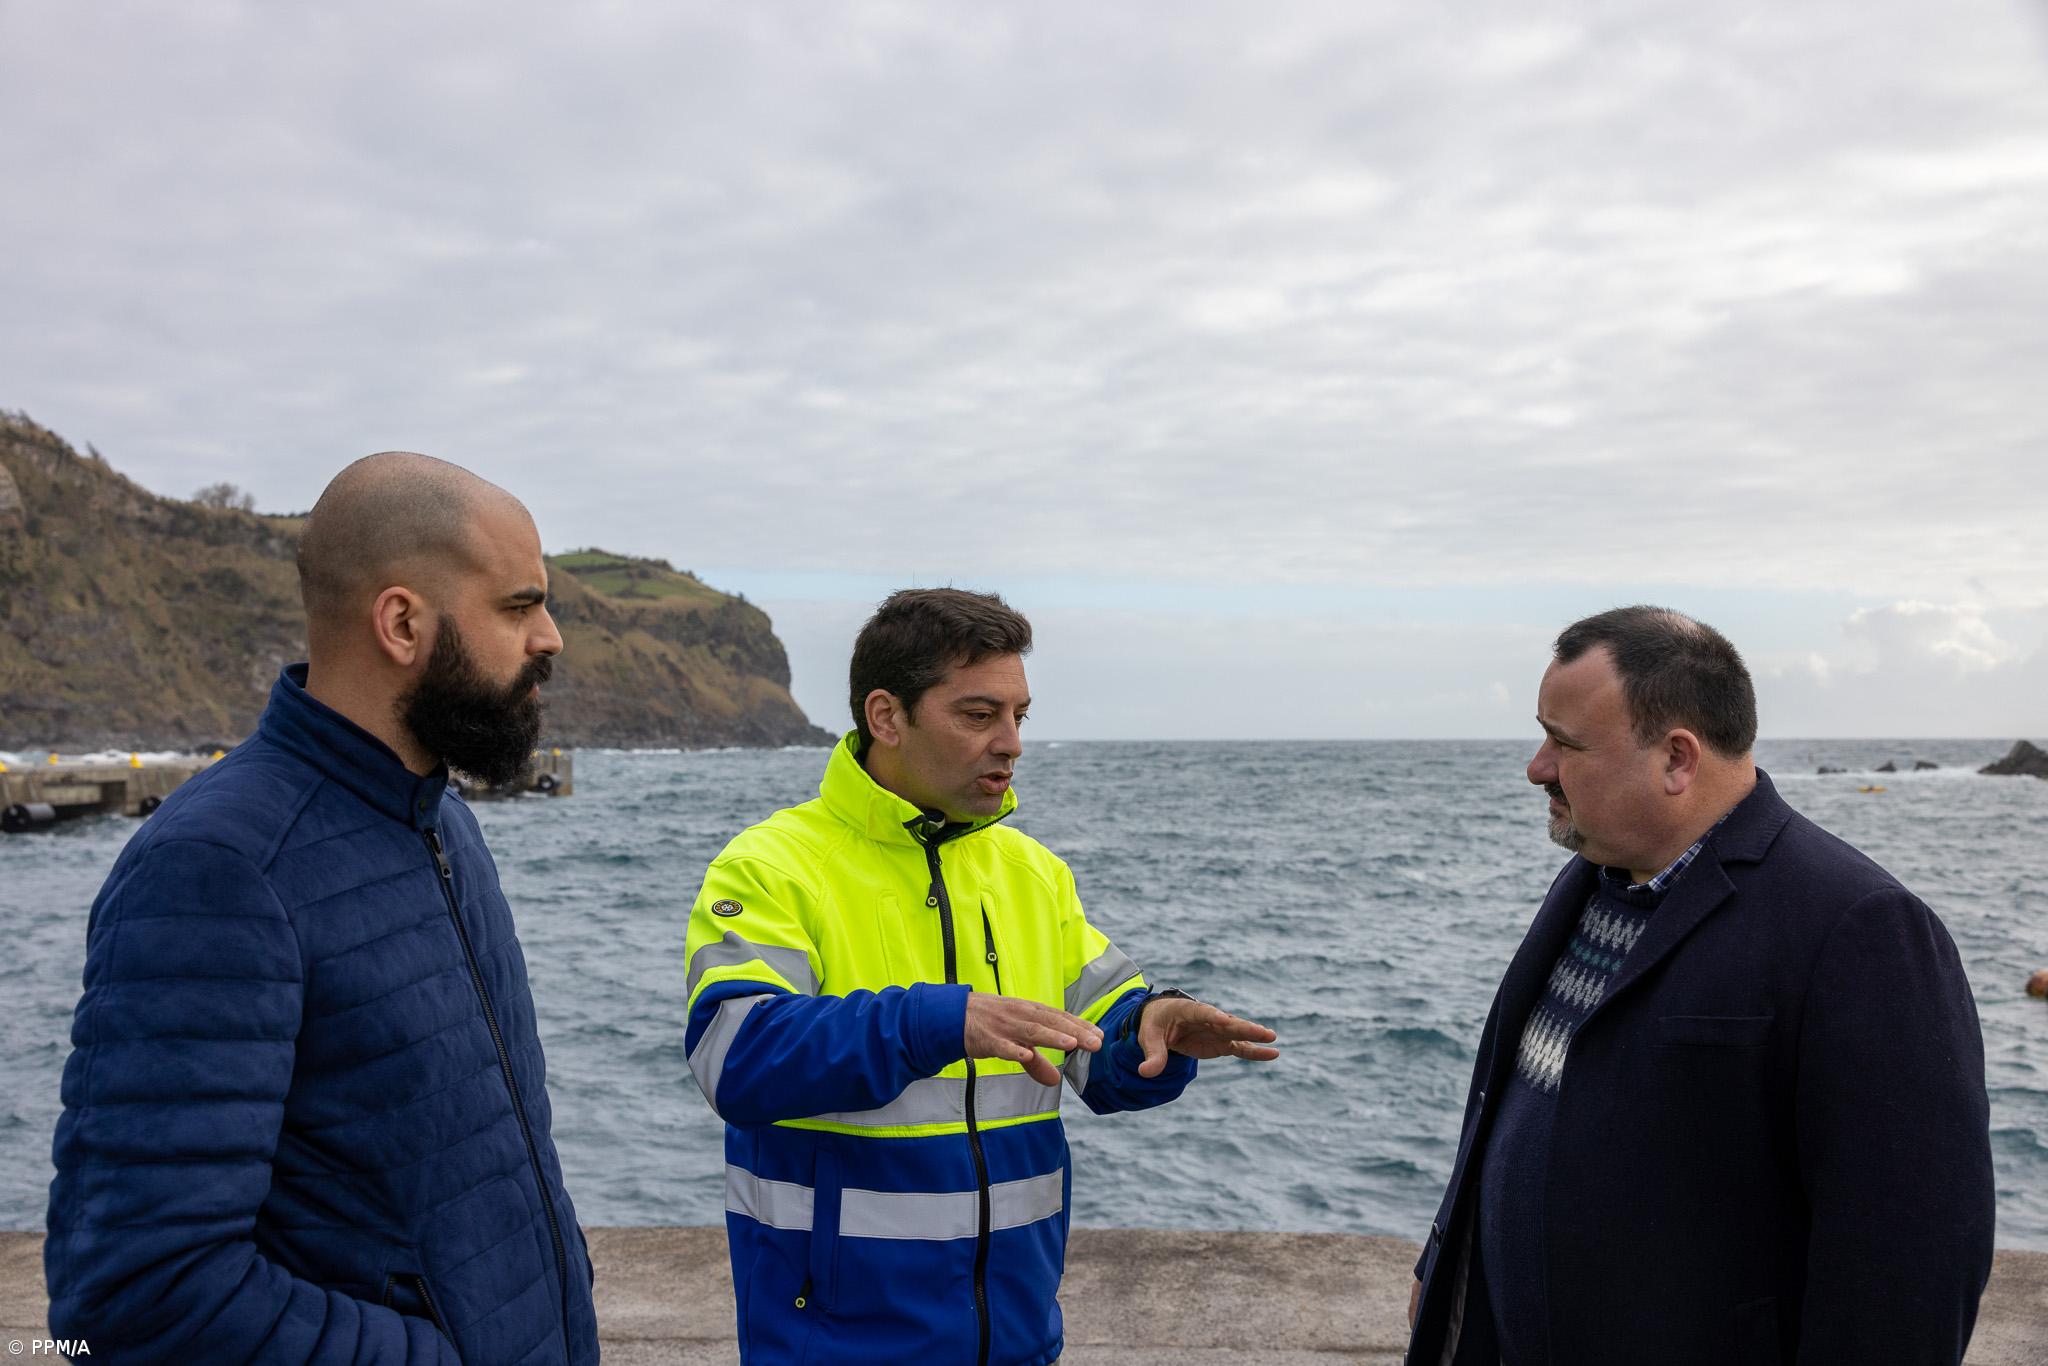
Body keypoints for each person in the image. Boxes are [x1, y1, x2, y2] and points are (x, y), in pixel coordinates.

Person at [45, 454, 599, 1363]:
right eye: (518, 605)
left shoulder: (444, 822)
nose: (551, 638)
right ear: (401, 623)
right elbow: (138, 1296)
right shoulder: (218, 867)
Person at [684, 587, 1280, 1365]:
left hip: (1019, 1341)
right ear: (886, 716)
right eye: (978, 715)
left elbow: (1100, 1053)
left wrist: (1156, 1030)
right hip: (831, 1345)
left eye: (1018, 716)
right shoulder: (770, 866)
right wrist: (936, 1021)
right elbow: (735, 1058)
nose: (1012, 743)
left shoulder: (1034, 875)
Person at [1406, 606, 1995, 1364]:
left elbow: (1910, 1268)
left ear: (1678, 759)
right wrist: (1447, 1263)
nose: (1537, 767)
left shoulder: (1859, 928)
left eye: (1565, 743)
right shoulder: (1593, 881)